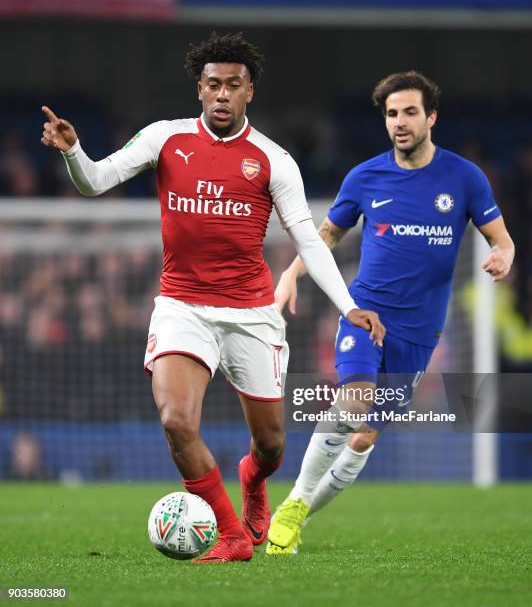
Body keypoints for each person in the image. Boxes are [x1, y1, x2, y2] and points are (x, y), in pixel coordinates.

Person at [40, 32, 385, 563]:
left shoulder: (273, 160)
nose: (222, 94)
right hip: (182, 307)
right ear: (199, 90)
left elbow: (308, 241)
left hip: (252, 314)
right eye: (212, 85)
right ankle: (231, 536)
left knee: (269, 448)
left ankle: (252, 482)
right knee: (177, 419)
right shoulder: (165, 139)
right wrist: (74, 153)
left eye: (234, 85)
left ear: (250, 92)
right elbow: (95, 182)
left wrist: (348, 306)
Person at [266, 70, 515, 554]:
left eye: (409, 112)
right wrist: (291, 273)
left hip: (420, 333)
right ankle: (295, 502)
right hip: (365, 314)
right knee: (354, 402)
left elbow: (501, 238)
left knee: (362, 439)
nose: (399, 122)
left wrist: (503, 253)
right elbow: (327, 237)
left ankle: (295, 515)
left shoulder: (465, 178)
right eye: (391, 114)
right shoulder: (364, 177)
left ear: (431, 117)